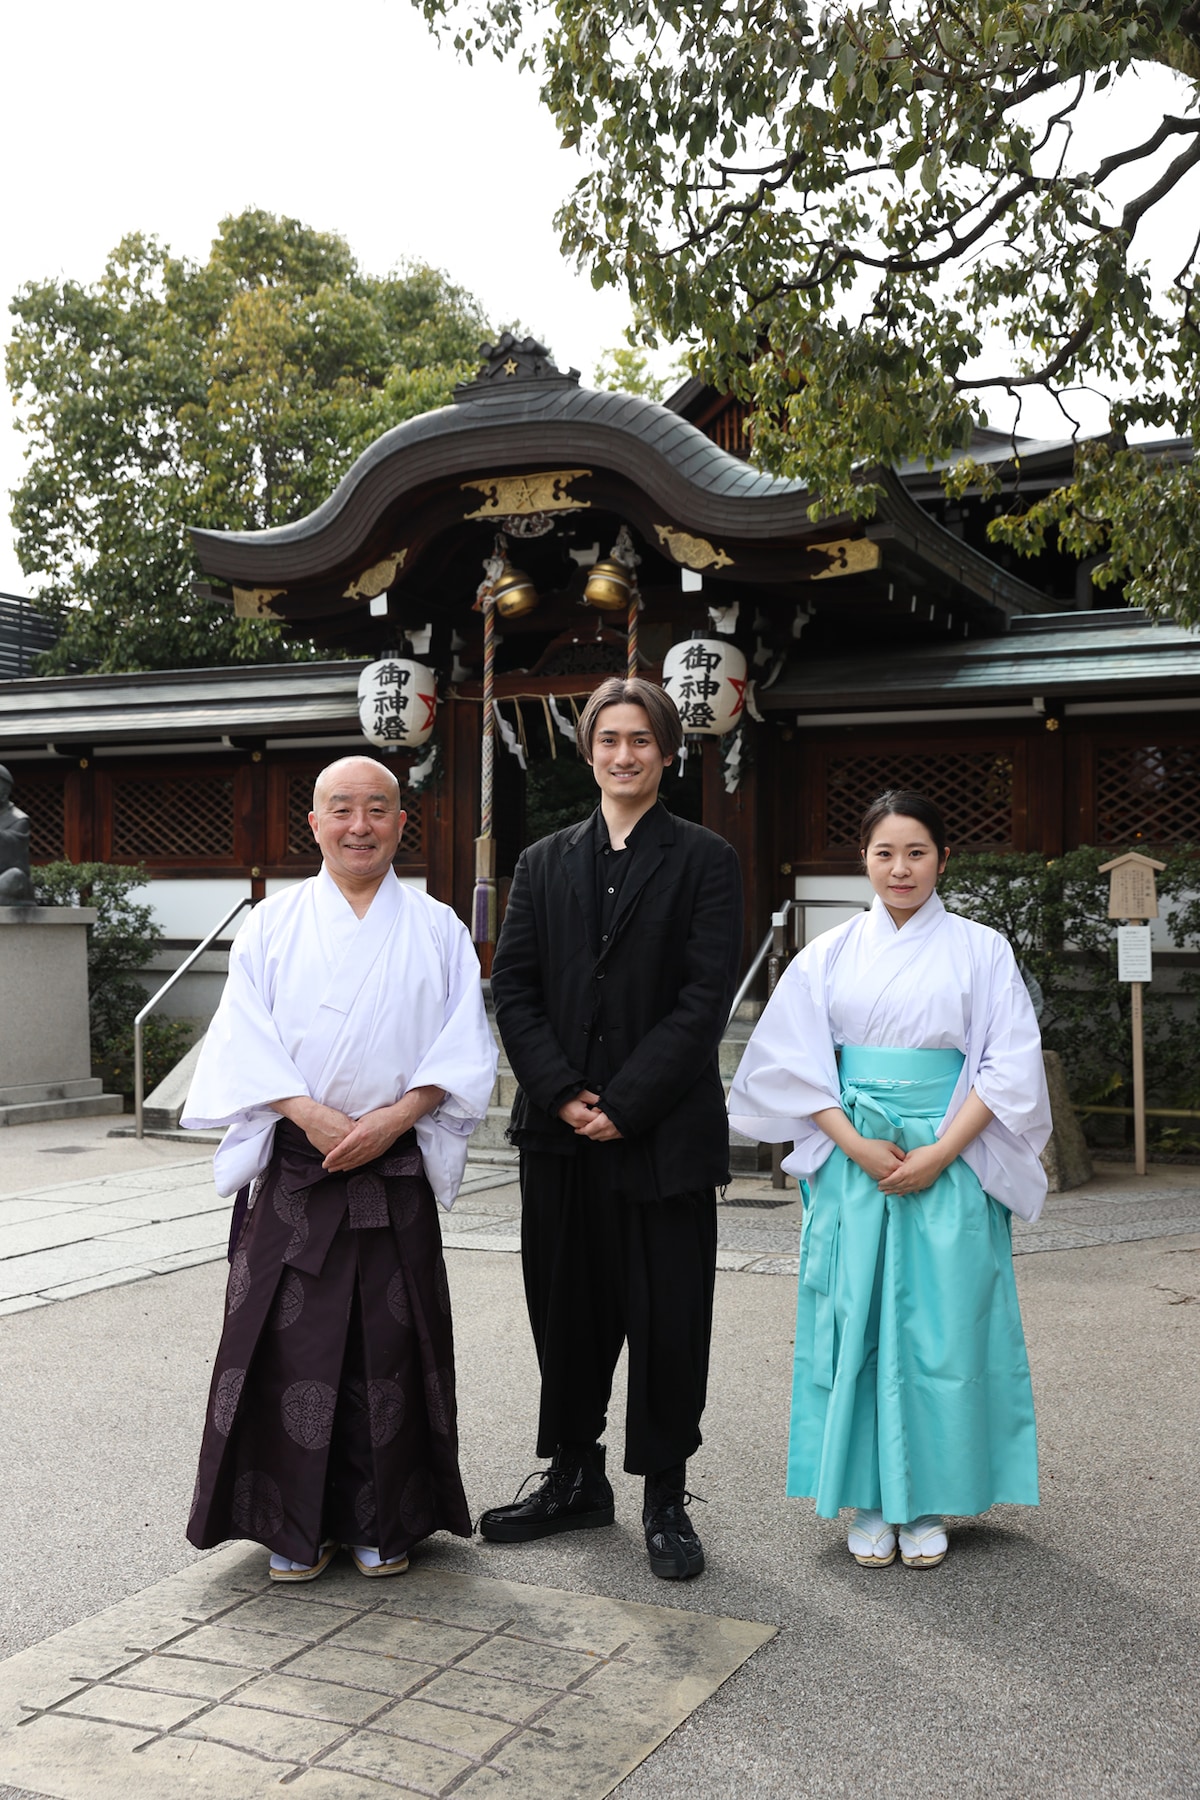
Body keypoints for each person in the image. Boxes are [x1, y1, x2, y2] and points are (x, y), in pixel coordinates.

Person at [181, 755, 497, 1582]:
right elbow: (242, 1038)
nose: (360, 825)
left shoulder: (438, 930)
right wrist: (305, 1110)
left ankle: (384, 1520)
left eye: (378, 809)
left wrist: (400, 1115)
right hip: (299, 1168)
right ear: (315, 824)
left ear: (402, 822)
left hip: (390, 1167)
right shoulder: (272, 925)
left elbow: (463, 1050)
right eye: (342, 810)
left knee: (392, 1344)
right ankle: (292, 1525)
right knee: (287, 1347)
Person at [729, 791, 1050, 1570]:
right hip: (854, 1163)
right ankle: (868, 1498)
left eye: (916, 852)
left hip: (954, 1156)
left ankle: (931, 1496)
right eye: (884, 853)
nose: (900, 868)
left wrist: (939, 1153)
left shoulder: (982, 949)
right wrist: (856, 1144)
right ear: (863, 861)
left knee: (946, 1324)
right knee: (856, 1321)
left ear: (943, 858)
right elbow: (792, 1065)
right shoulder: (831, 953)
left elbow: (1009, 1068)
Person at [479, 676, 742, 1580]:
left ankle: (665, 1496)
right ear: (588, 750)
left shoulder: (706, 858)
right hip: (559, 1135)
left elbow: (704, 998)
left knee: (668, 1317)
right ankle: (574, 1478)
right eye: (608, 739)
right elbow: (512, 987)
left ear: (667, 753)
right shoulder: (547, 860)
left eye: (641, 739)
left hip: (662, 1135)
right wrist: (560, 1092)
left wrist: (624, 1102)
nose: (623, 754)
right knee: (566, 1310)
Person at [0, 765, 35, 903]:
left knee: (15, 877)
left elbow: (11, 857)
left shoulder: (19, 820)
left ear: (4, 793)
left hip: (5, 876)